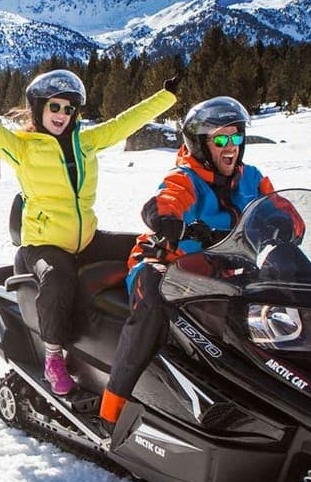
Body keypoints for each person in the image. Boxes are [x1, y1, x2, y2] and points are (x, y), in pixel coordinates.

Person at [0, 69, 177, 394]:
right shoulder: (23, 149)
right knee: (59, 281)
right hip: (43, 246)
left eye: (68, 109)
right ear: (39, 109)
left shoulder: (86, 143)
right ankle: (53, 357)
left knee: (149, 245)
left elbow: (124, 123)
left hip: (86, 240)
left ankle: (161, 321)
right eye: (55, 107)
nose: (62, 115)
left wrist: (167, 97)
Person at [100, 95, 276, 425]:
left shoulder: (251, 178)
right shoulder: (186, 178)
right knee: (153, 303)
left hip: (224, 273)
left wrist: (285, 224)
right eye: (221, 139)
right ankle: (112, 409)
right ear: (199, 144)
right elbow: (166, 200)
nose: (231, 146)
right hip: (166, 265)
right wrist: (165, 218)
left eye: (237, 136)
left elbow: (283, 211)